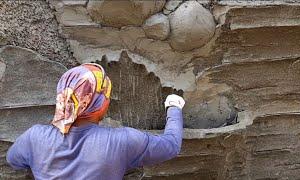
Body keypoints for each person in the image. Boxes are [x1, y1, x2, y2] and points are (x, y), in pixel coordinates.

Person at [6, 63, 185, 180]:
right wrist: (174, 106)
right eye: (106, 95)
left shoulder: (35, 137)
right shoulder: (121, 141)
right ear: (96, 103)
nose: (108, 99)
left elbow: (14, 160)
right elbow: (171, 145)